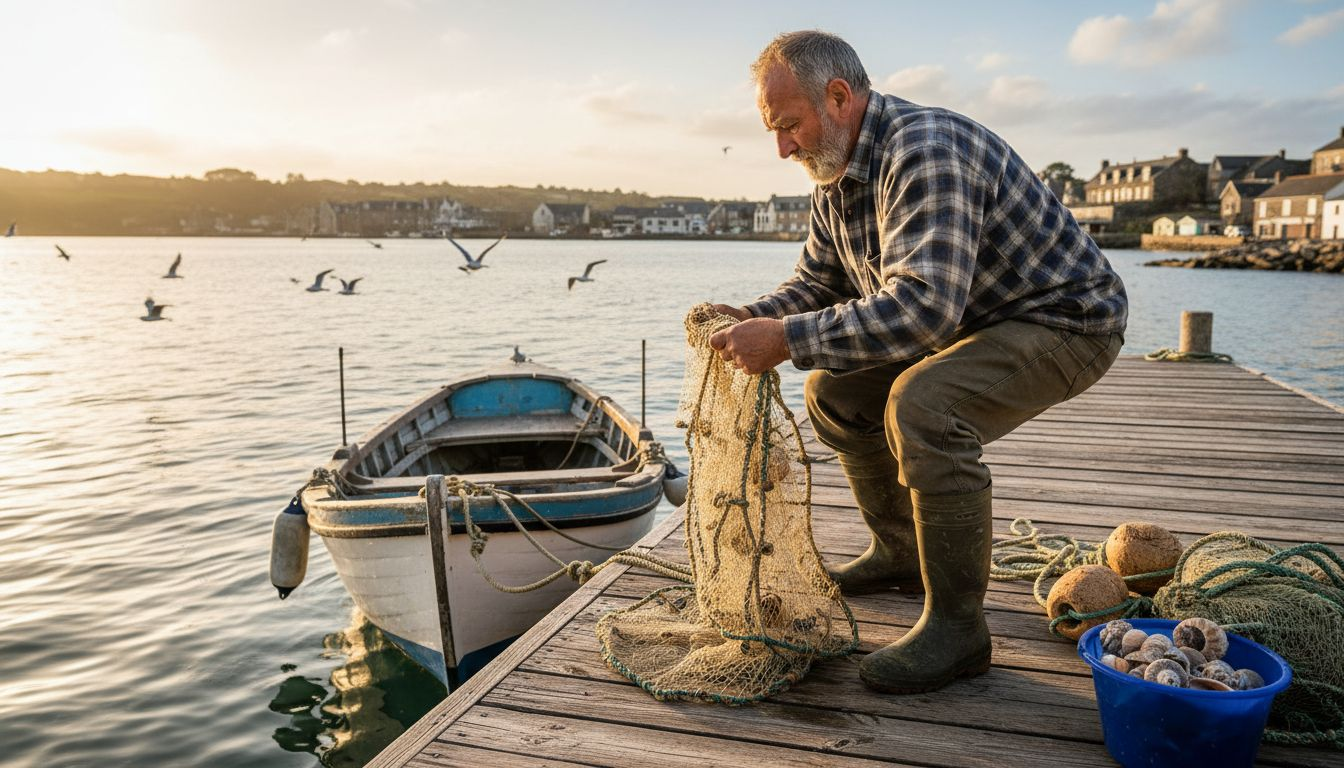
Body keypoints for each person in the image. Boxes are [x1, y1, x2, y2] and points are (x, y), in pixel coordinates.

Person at [708, 30, 1127, 695]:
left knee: (926, 404)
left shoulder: (925, 151)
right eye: (774, 131)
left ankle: (959, 629)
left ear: (839, 97)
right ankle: (901, 553)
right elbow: (820, 283)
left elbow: (923, 310)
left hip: (1067, 321)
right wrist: (754, 318)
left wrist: (785, 338)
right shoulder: (835, 168)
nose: (782, 147)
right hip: (980, 317)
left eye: (789, 126)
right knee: (833, 391)